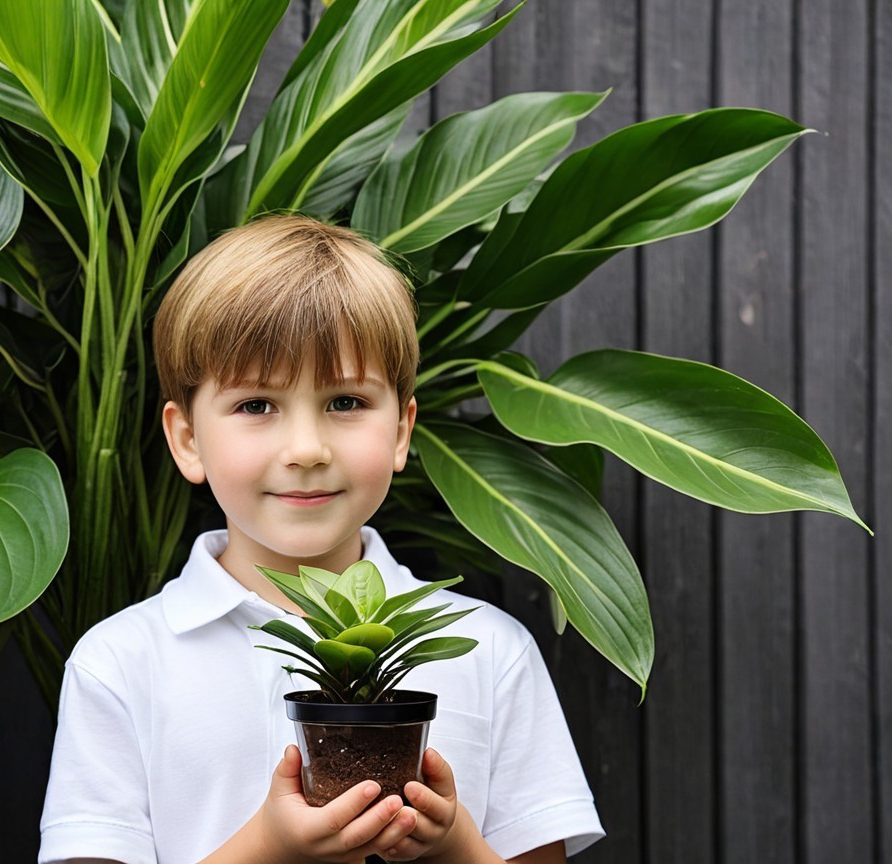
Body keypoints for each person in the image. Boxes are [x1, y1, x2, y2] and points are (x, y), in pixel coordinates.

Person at [39, 214, 604, 863]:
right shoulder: (119, 663)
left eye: (344, 402)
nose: (306, 449)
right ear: (187, 439)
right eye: (256, 405)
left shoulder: (493, 653)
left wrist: (454, 847)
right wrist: (269, 848)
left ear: (401, 431)